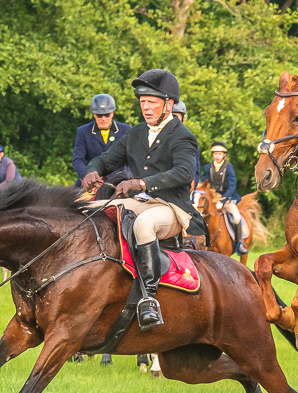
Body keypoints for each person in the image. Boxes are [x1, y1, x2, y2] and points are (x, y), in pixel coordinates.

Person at [82, 69, 207, 329]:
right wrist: (92, 171)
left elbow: (184, 173)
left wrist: (141, 182)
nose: (146, 108)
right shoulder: (136, 133)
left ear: (169, 104)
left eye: (152, 102)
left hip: (173, 209)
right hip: (142, 201)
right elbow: (106, 159)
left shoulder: (183, 136)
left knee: (144, 224)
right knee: (89, 210)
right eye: (142, 102)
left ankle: (149, 297)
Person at [72, 94, 132, 187]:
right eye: (99, 115)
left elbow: (131, 159)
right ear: (94, 114)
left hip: (119, 180)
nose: (103, 119)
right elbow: (78, 159)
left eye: (107, 115)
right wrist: (87, 177)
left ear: (112, 113)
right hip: (92, 180)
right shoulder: (83, 131)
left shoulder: (126, 130)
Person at [202, 141, 249, 255]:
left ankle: (239, 243)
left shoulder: (228, 167)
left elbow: (232, 184)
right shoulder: (208, 167)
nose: (217, 156)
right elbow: (205, 183)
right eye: (215, 154)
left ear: (224, 155)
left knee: (236, 216)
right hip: (212, 198)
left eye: (219, 154)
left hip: (226, 197)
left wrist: (224, 198)